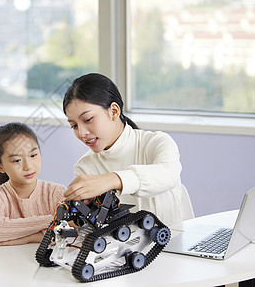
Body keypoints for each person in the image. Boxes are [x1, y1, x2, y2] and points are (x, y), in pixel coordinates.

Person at [62, 73, 194, 227]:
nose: (82, 133)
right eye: (74, 125)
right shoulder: (85, 167)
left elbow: (168, 174)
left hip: (174, 244)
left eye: (88, 119)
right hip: (121, 250)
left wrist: (112, 180)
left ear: (114, 111)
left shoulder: (156, 142)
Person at [0, 122, 65, 246]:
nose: (28, 166)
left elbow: (73, 228)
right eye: (17, 160)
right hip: (6, 261)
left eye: (33, 155)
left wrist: (27, 238)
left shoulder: (56, 192)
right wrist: (53, 220)